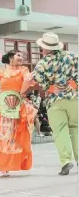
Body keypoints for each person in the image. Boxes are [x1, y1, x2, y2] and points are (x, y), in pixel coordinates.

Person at [21, 32, 78, 175]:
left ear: (46, 48)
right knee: (75, 129)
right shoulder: (72, 57)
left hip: (54, 100)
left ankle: (65, 161)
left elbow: (41, 83)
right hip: (74, 98)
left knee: (60, 131)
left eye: (42, 47)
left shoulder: (43, 63)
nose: (41, 50)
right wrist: (70, 85)